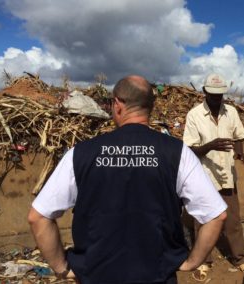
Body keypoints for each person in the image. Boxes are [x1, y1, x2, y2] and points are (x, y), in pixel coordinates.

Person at [27, 75, 228, 284]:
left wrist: (61, 267)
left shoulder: (81, 154)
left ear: (117, 104)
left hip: (97, 276)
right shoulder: (177, 153)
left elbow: (38, 217)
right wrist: (192, 262)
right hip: (157, 276)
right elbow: (216, 215)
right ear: (150, 107)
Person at [183, 73, 244, 280]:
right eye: (212, 94)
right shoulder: (194, 115)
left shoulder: (231, 112)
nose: (216, 98)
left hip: (227, 175)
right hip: (204, 177)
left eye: (220, 94)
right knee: (203, 221)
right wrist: (210, 146)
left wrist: (240, 151)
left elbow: (239, 135)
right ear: (204, 92)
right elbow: (189, 148)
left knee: (232, 220)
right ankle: (205, 260)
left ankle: (239, 258)